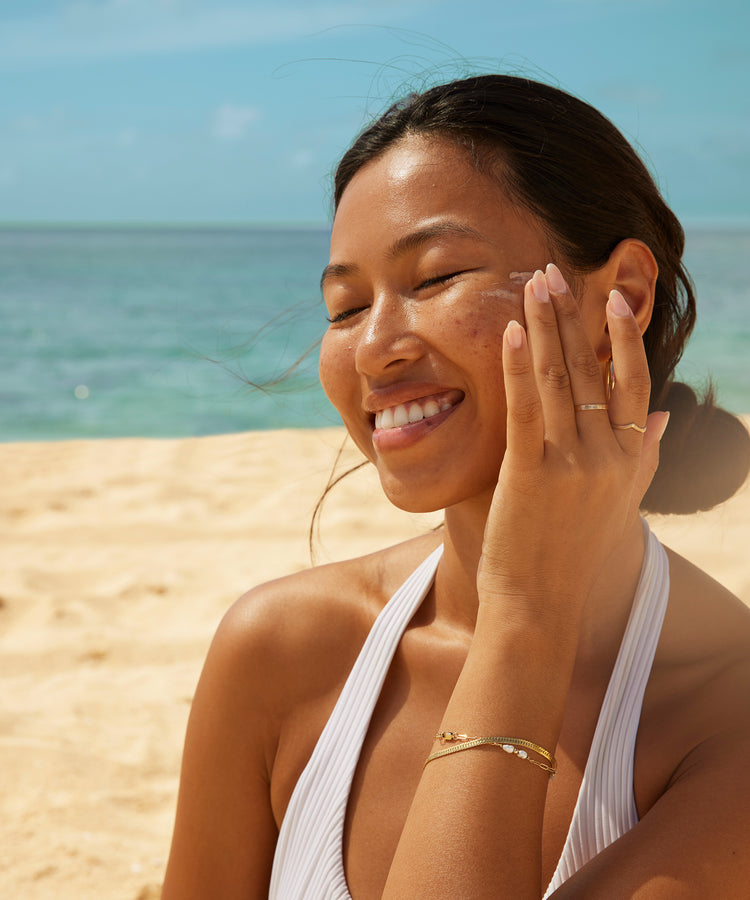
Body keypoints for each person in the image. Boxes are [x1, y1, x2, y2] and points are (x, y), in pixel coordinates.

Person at [161, 74, 750, 898]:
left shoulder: (725, 714)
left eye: (435, 278)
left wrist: (526, 614)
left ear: (621, 295)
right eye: (345, 307)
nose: (373, 350)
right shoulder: (281, 649)